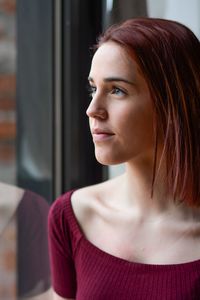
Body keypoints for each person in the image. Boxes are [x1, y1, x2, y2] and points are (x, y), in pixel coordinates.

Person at [48, 17, 200, 300]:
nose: (93, 110)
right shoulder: (72, 217)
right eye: (94, 89)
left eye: (117, 90)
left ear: (174, 102)